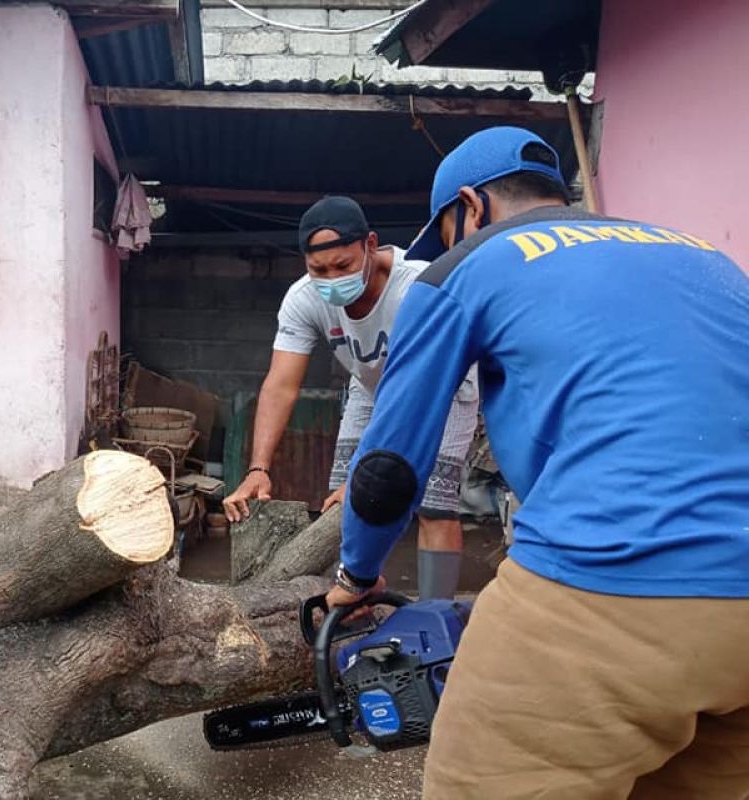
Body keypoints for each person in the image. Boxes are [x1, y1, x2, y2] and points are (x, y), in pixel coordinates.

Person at [326, 126, 749, 798]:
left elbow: (388, 470)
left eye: (451, 232)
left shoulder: (471, 264)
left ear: (471, 206)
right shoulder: (702, 254)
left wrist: (358, 573)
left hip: (614, 582)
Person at [222, 196, 478, 599]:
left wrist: (365, 470)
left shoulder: (419, 286)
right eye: (318, 269)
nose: (330, 278)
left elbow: (411, 393)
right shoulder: (304, 299)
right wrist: (258, 468)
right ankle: (347, 598)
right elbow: (281, 383)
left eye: (342, 266)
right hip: (369, 385)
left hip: (444, 388)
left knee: (434, 504)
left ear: (370, 245)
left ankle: (434, 615)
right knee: (341, 502)